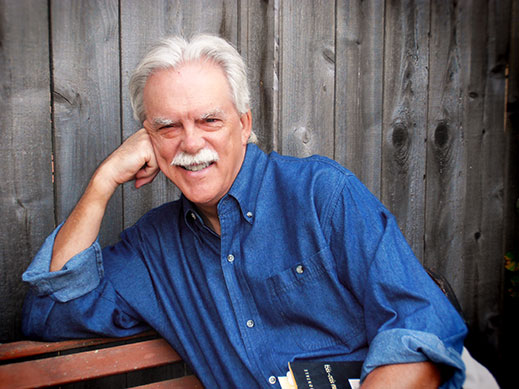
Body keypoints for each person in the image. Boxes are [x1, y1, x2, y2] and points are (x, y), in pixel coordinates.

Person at [22, 34, 467, 388]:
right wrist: (102, 184)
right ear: (148, 140)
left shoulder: (321, 195)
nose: (191, 144)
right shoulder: (154, 249)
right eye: (168, 127)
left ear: (244, 124)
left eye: (209, 120)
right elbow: (52, 311)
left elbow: (420, 327)